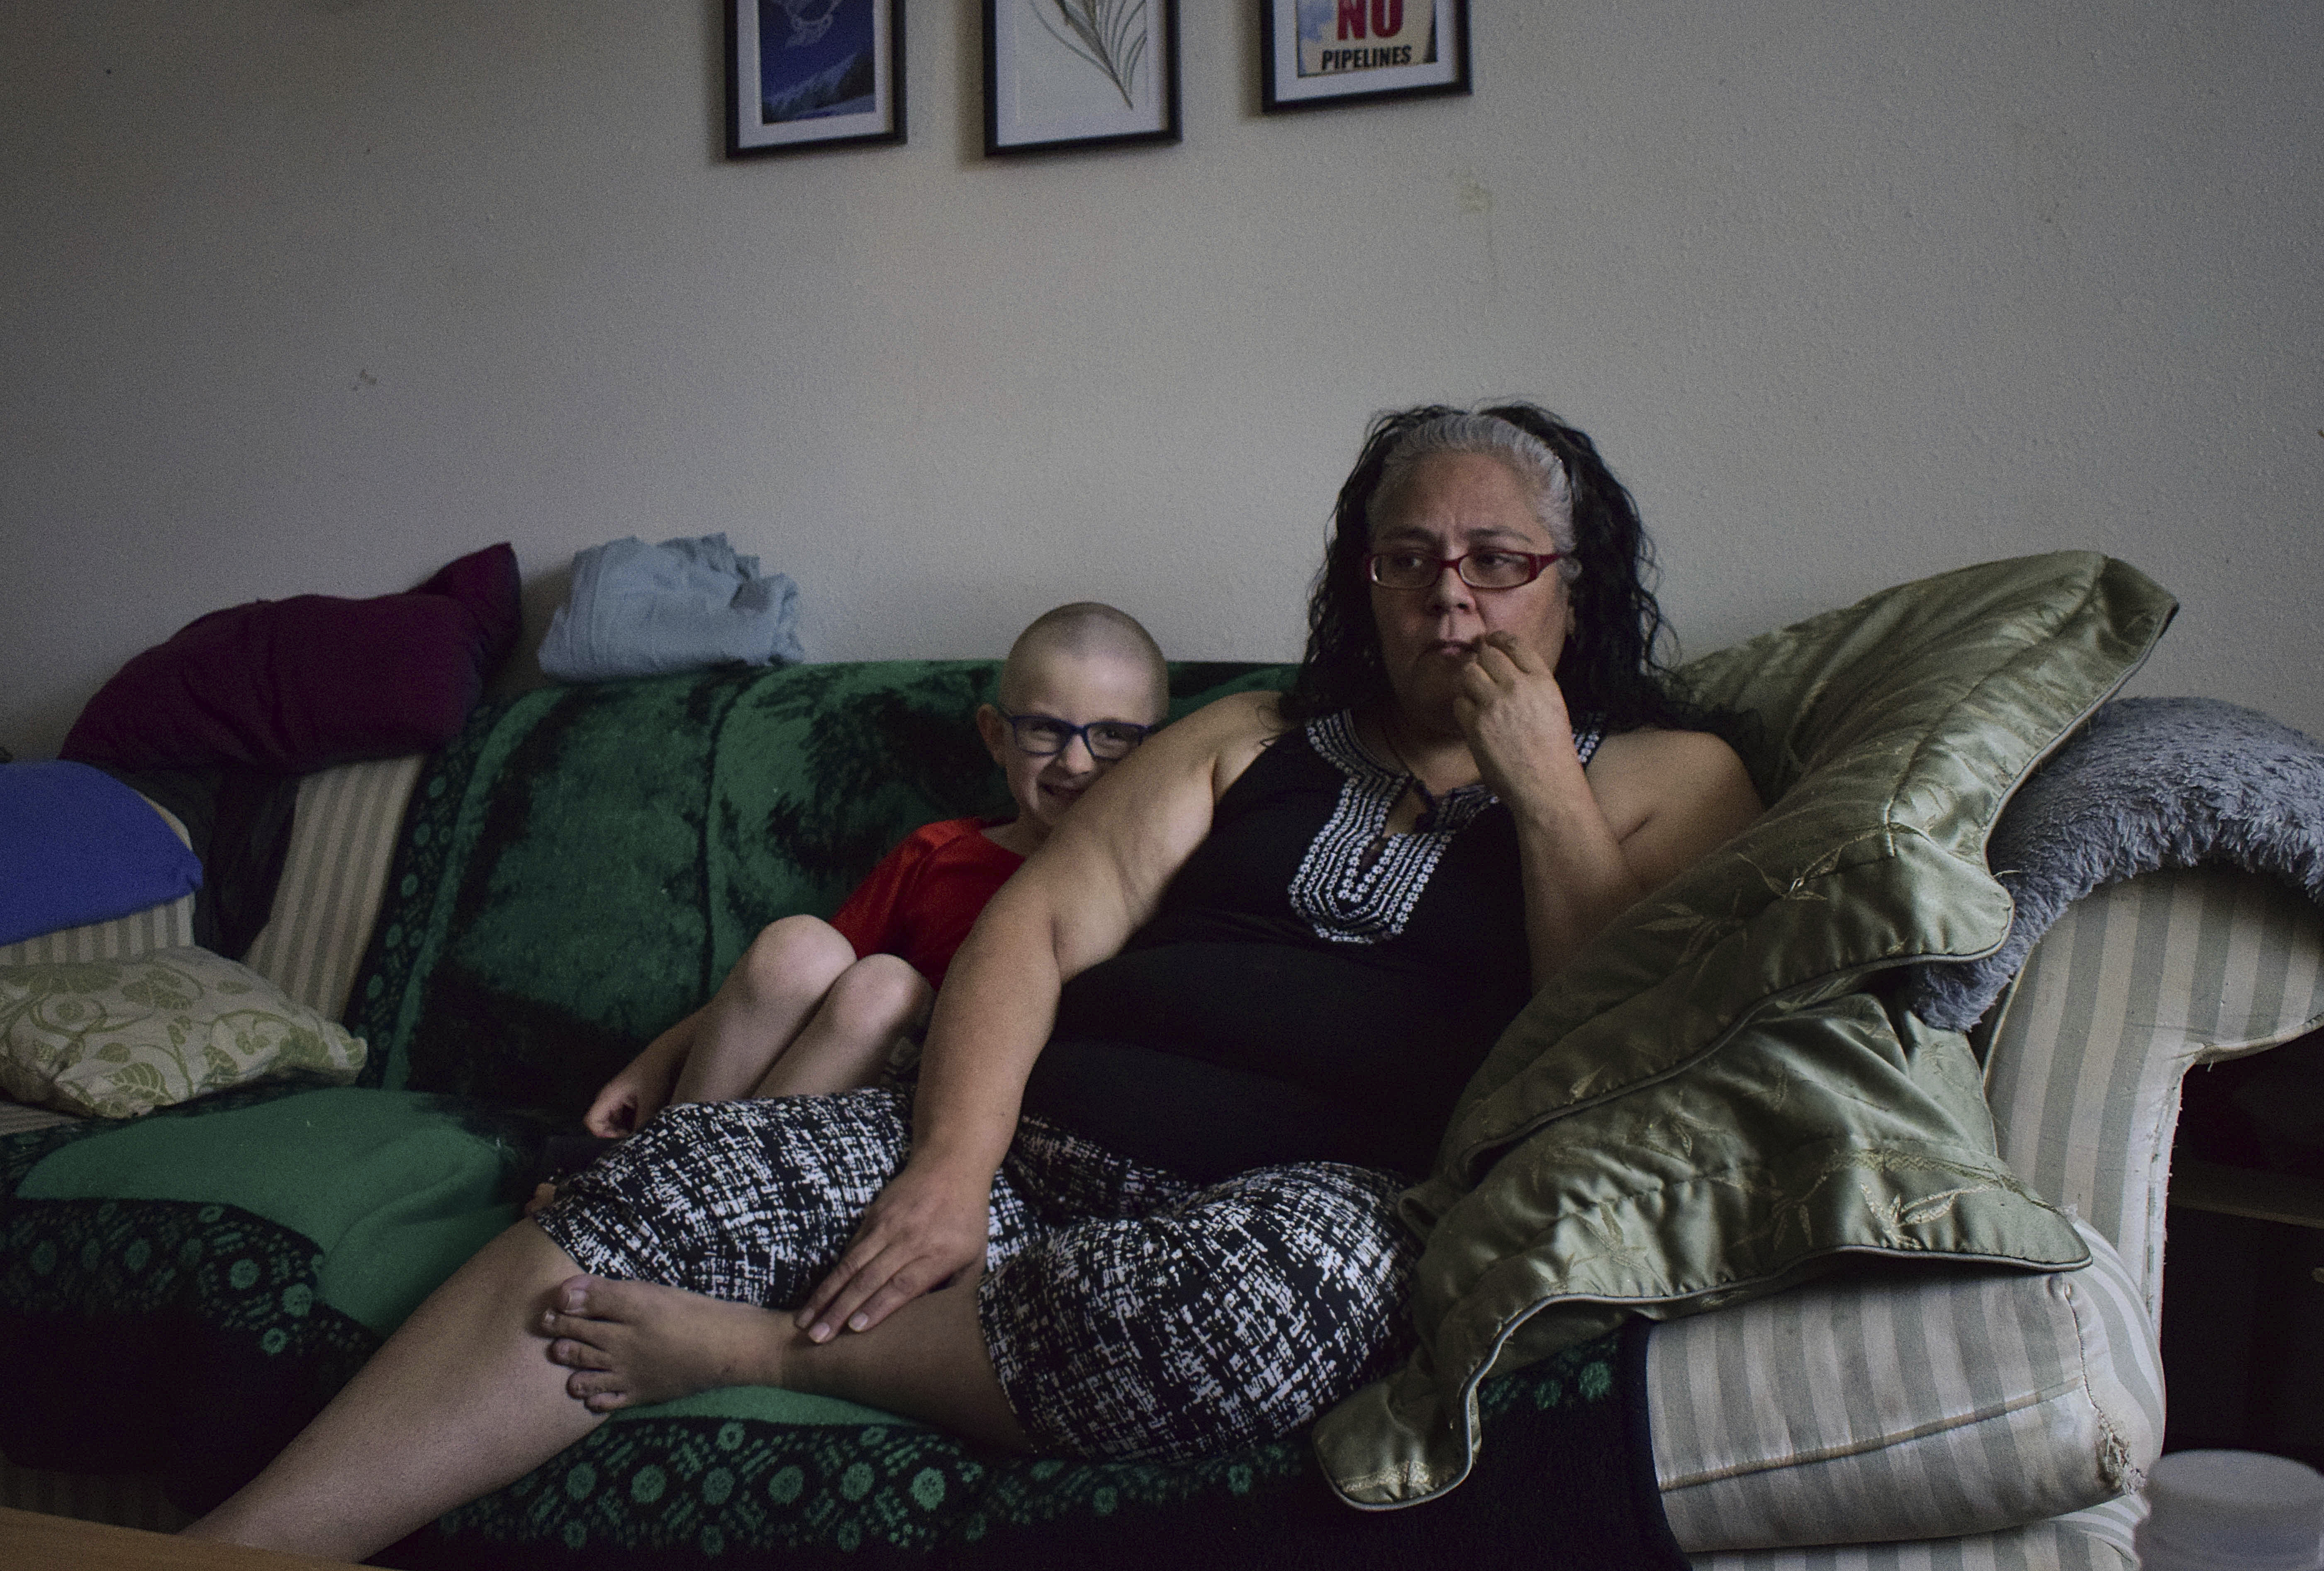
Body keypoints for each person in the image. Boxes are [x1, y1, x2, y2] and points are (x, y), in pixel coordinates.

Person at [186, 404, 1765, 1561]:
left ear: (1574, 581)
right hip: (1036, 1148)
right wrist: (950, 1166)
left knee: (1283, 1300)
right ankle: (237, 1546)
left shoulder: (1674, 776)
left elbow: (1616, 1034)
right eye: (1408, 559)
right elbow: (1035, 928)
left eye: (1498, 562)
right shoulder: (1252, 734)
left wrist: (1542, 780)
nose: (1450, 599)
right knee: (683, 1175)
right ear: (1364, 580)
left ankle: (752, 1343)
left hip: (1316, 1199)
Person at [565, 602, 1169, 1133]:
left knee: (887, 988)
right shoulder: (940, 851)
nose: (1076, 761)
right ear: (995, 736)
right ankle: (665, 1165)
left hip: (953, 1101)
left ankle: (702, 1182)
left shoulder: (1149, 883)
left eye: (1113, 736)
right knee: (800, 946)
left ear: (1157, 750)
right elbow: (782, 987)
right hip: (847, 1070)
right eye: (1045, 729)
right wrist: (655, 1061)